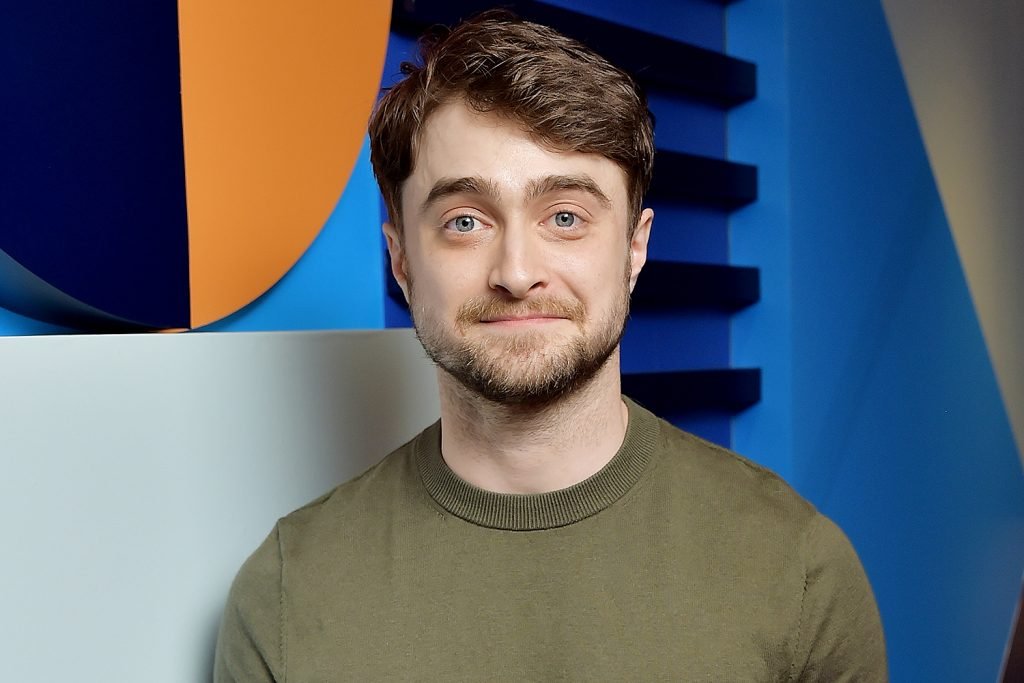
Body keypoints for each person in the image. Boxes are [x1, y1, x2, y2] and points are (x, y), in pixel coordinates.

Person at [214, 11, 887, 681]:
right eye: (465, 221)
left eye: (565, 216)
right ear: (401, 260)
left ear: (634, 249)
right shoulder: (287, 595)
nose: (515, 272)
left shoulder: (797, 570)